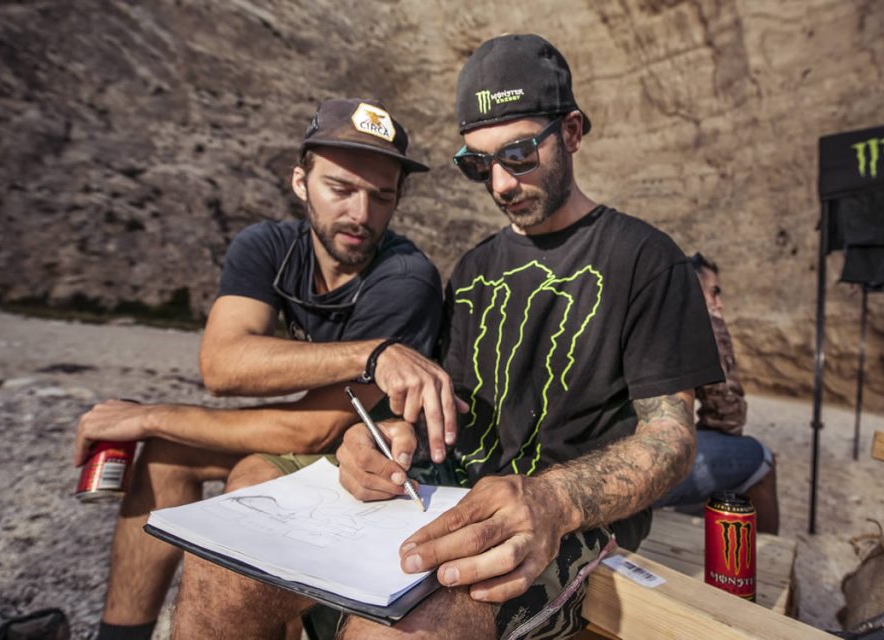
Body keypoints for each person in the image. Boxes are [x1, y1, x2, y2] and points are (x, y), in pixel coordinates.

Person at [170, 33, 723, 640]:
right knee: (229, 549)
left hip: (568, 521)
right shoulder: (473, 268)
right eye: (478, 165)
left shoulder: (647, 260)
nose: (500, 184)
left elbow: (671, 440)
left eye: (518, 154)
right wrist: (377, 440)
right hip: (443, 494)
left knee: (398, 628)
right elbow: (434, 413)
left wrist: (554, 498)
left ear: (570, 132)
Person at [74, 98, 463, 640]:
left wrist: (149, 416)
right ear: (301, 182)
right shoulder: (267, 247)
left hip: (381, 459)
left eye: (382, 196)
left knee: (237, 473)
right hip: (324, 439)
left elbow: (313, 431)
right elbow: (223, 365)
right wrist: (368, 353)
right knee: (165, 456)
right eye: (340, 188)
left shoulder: (405, 278)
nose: (361, 214)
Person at [654, 252, 780, 534]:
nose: (719, 303)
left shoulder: (649, 317)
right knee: (762, 458)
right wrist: (716, 330)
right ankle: (769, 556)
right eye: (713, 292)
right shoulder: (694, 322)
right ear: (692, 290)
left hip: (601, 461)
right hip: (643, 473)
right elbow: (729, 417)